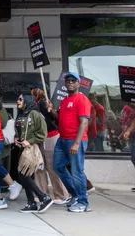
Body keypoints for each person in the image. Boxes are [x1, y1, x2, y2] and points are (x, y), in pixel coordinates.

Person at [53, 72, 92, 213]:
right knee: (58, 167)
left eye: (73, 81)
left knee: (77, 171)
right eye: (68, 80)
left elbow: (84, 122)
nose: (70, 82)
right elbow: (61, 119)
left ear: (78, 84)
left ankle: (83, 202)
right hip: (62, 139)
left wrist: (76, 143)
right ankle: (75, 195)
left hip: (75, 140)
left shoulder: (82, 99)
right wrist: (52, 111)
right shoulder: (65, 100)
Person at [14, 94, 53, 213]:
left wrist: (29, 141)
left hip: (32, 149)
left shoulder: (35, 114)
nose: (17, 101)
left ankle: (43, 197)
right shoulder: (21, 114)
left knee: (23, 174)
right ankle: (31, 203)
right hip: (22, 149)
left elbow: (42, 133)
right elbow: (19, 130)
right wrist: (16, 138)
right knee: (27, 175)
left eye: (20, 99)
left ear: (27, 100)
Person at [31, 90, 70, 205]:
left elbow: (56, 118)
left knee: (51, 167)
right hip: (40, 138)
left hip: (50, 137)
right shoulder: (35, 104)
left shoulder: (46, 103)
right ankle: (42, 193)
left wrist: (51, 109)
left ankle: (62, 194)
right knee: (40, 167)